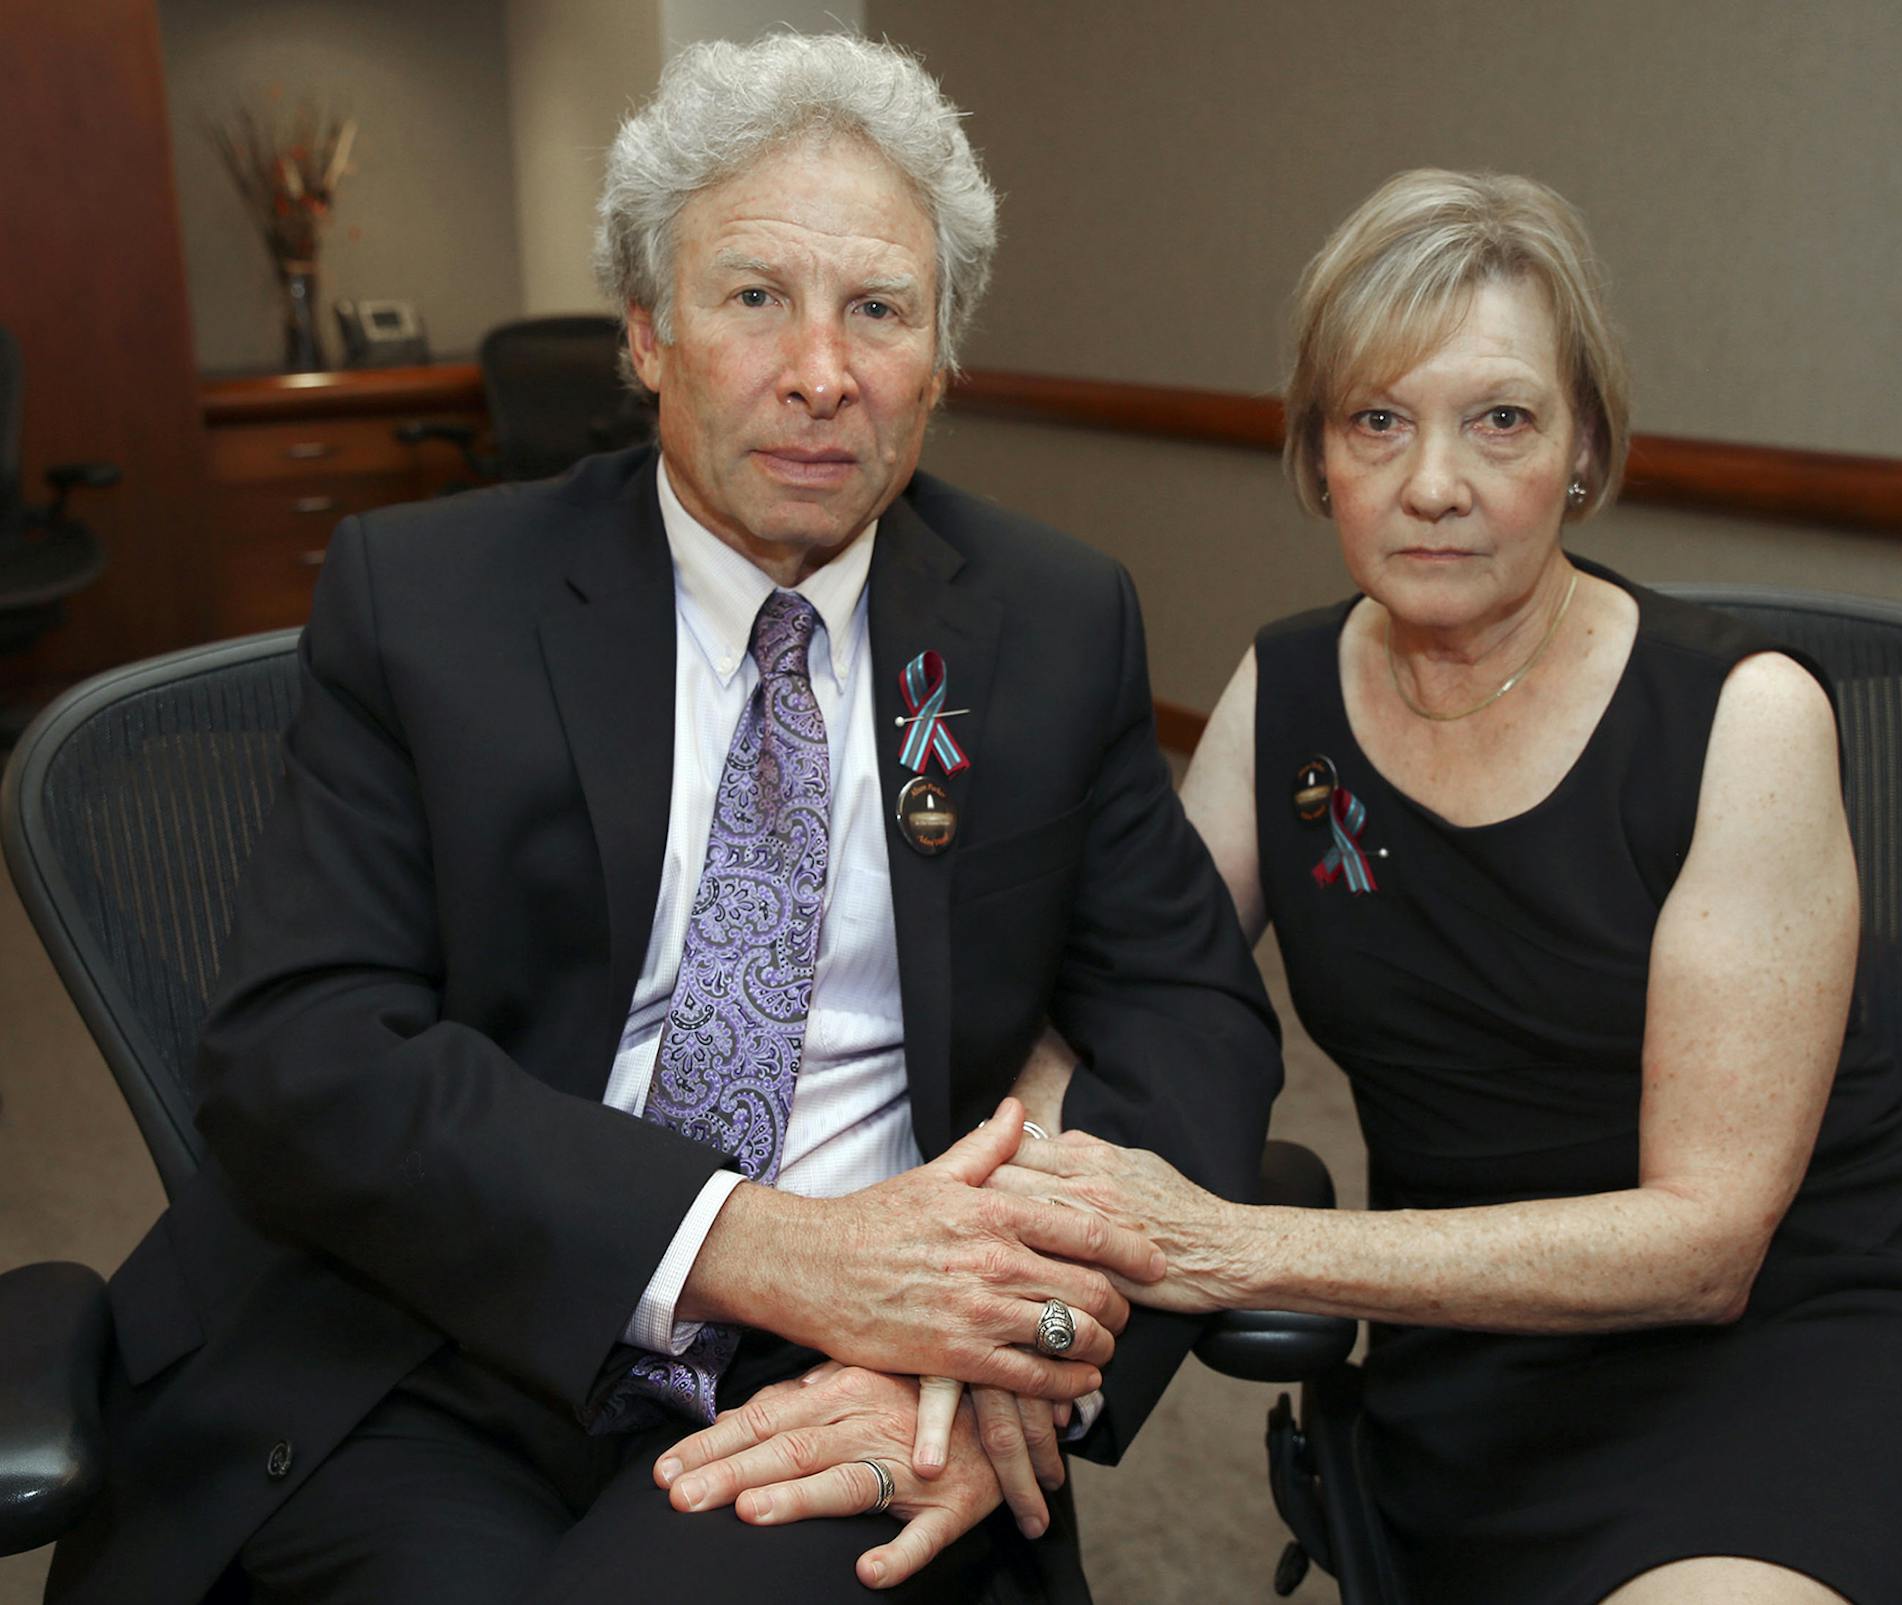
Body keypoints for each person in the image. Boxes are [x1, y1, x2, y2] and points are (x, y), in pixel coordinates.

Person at [46, 34, 1278, 1605]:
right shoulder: (428, 602)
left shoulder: (1053, 623)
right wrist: (752, 1241)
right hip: (428, 1326)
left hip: (832, 1369)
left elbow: (1195, 1014)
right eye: (754, 296)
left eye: (879, 311)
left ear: (941, 356)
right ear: (645, 331)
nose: (821, 371)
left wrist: (1032, 1347)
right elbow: (303, 1052)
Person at [973, 170, 1902, 1602]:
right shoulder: (1281, 696)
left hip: (1810, 1341)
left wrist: (1232, 1245)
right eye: (1377, 421)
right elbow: (1135, 998)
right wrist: (1008, 1214)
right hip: (1475, 1372)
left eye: (1501, 419)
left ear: (1584, 448)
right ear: (1317, 460)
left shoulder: (1743, 715)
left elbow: (1707, 1243)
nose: (1434, 484)